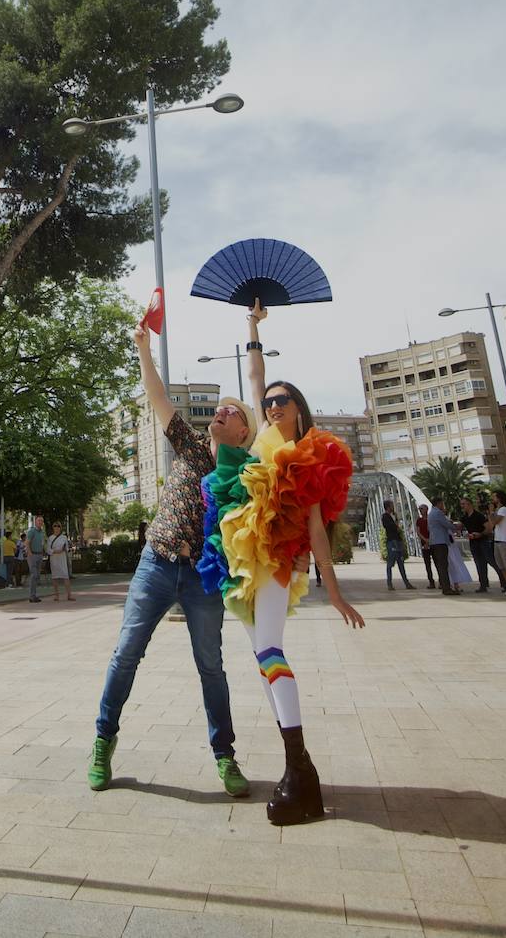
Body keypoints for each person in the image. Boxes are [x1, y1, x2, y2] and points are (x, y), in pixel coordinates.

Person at [202, 298, 364, 826]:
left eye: (282, 401)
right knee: (262, 656)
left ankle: (301, 772)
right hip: (250, 555)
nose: (272, 406)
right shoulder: (265, 439)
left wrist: (332, 588)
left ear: (299, 408)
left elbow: (317, 526)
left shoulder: (306, 454)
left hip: (275, 558)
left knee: (270, 650)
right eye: (269, 402)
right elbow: (255, 375)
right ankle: (299, 770)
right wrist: (252, 328)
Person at [88, 320, 256, 799]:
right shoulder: (188, 445)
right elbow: (157, 394)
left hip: (203, 579)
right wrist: (143, 348)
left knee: (211, 665)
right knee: (126, 654)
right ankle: (103, 740)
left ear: (244, 430)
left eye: (230, 411)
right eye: (217, 409)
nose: (219, 413)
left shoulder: (247, 474)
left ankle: (225, 756)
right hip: (157, 564)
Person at [459, 496, 506, 593]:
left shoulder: (478, 516)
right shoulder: (464, 517)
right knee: (479, 564)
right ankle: (483, 585)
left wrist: (480, 534)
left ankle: (504, 582)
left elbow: (488, 528)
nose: (462, 506)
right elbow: (459, 526)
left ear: (469, 504)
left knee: (492, 562)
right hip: (473, 543)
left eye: (464, 504)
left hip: (483, 542)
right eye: (461, 504)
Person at [424, 495, 459, 595]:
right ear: (438, 503)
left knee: (440, 565)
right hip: (441, 542)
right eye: (442, 503)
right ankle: (446, 588)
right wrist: (456, 527)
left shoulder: (431, 513)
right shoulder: (438, 513)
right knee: (443, 566)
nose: (443, 505)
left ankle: (445, 586)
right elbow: (446, 524)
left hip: (434, 542)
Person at [382, 500, 414, 590]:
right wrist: (395, 524)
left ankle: (407, 583)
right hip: (392, 541)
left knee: (401, 562)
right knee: (390, 563)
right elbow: (389, 527)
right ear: (388, 507)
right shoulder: (385, 516)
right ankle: (389, 584)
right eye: (392, 505)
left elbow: (397, 527)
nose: (393, 507)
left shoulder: (393, 516)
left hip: (397, 540)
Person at [47, 523, 75, 601]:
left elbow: (66, 548)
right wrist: (55, 551)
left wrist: (63, 550)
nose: (56, 527)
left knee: (66, 577)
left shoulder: (64, 537)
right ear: (53, 528)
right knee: (55, 577)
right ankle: (56, 596)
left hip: (62, 559)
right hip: (54, 559)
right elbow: (48, 550)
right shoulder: (50, 538)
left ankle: (69, 595)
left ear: (60, 528)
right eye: (55, 526)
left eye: (58, 526)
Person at [415, 504, 437, 589]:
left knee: (437, 562)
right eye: (419, 509)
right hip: (424, 544)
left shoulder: (431, 519)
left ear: (427, 509)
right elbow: (418, 532)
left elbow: (433, 530)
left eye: (422, 509)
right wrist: (425, 540)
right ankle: (431, 582)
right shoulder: (419, 520)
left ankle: (442, 581)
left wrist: (429, 540)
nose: (420, 510)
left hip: (433, 542)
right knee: (427, 564)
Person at [26, 515, 46, 602]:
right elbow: (27, 543)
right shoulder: (31, 531)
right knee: (34, 575)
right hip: (33, 555)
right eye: (39, 521)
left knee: (37, 575)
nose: (40, 522)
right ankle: (32, 596)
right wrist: (30, 553)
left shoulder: (42, 532)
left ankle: (34, 594)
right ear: (35, 522)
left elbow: (42, 543)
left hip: (39, 555)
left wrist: (42, 553)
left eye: (41, 521)